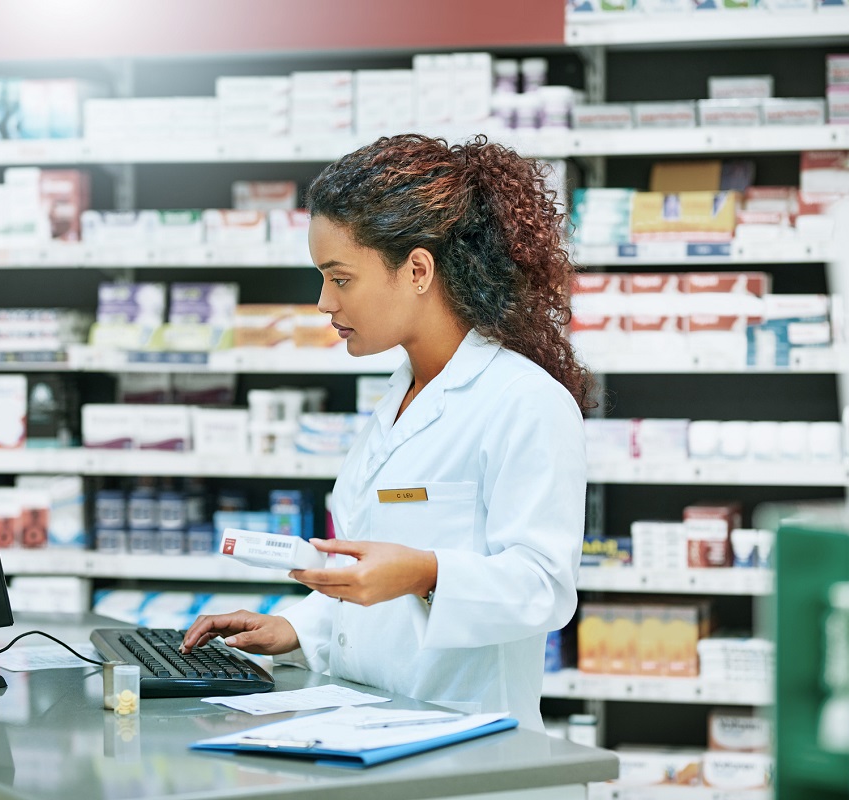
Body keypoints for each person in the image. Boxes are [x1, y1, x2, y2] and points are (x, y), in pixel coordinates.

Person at [181, 133, 590, 731]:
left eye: (340, 278)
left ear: (417, 270)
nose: (323, 302)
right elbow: (373, 576)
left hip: (465, 744)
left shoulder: (524, 402)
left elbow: (543, 588)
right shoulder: (399, 395)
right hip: (371, 724)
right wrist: (298, 628)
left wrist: (423, 572)